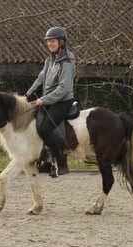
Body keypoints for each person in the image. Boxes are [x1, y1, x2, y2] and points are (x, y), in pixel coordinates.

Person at [24, 26, 76, 178]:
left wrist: (43, 99)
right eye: (48, 42)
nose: (50, 44)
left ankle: (62, 164)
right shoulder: (50, 61)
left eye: (53, 41)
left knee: (45, 129)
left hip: (63, 101)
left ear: (61, 42)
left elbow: (63, 88)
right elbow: (40, 79)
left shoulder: (67, 62)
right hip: (49, 101)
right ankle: (46, 161)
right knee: (36, 125)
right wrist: (27, 95)